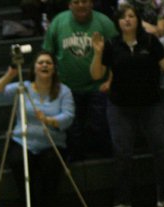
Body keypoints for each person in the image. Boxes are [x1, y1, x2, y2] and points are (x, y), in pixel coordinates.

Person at [90, 4, 164, 207]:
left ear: (138, 20)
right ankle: (122, 201)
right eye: (123, 17)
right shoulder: (111, 45)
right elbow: (96, 75)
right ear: (118, 22)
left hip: (151, 104)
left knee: (162, 148)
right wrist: (97, 54)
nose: (127, 20)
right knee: (122, 153)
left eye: (131, 16)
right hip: (120, 106)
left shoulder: (150, 41)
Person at [0, 50, 75, 207]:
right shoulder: (24, 87)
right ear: (34, 68)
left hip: (52, 143)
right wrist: (11, 73)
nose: (44, 65)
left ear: (54, 68)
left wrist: (49, 120)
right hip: (23, 141)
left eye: (48, 63)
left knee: (51, 163)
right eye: (40, 62)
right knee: (17, 161)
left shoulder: (64, 91)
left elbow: (68, 117)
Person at [43, 0, 117, 161]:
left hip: (99, 87)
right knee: (72, 133)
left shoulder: (104, 22)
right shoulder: (58, 22)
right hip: (67, 88)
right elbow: (47, 54)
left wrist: (111, 80)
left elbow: (117, 54)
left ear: (91, 3)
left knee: (100, 128)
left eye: (84, 1)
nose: (81, 5)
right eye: (76, 2)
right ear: (69, 5)